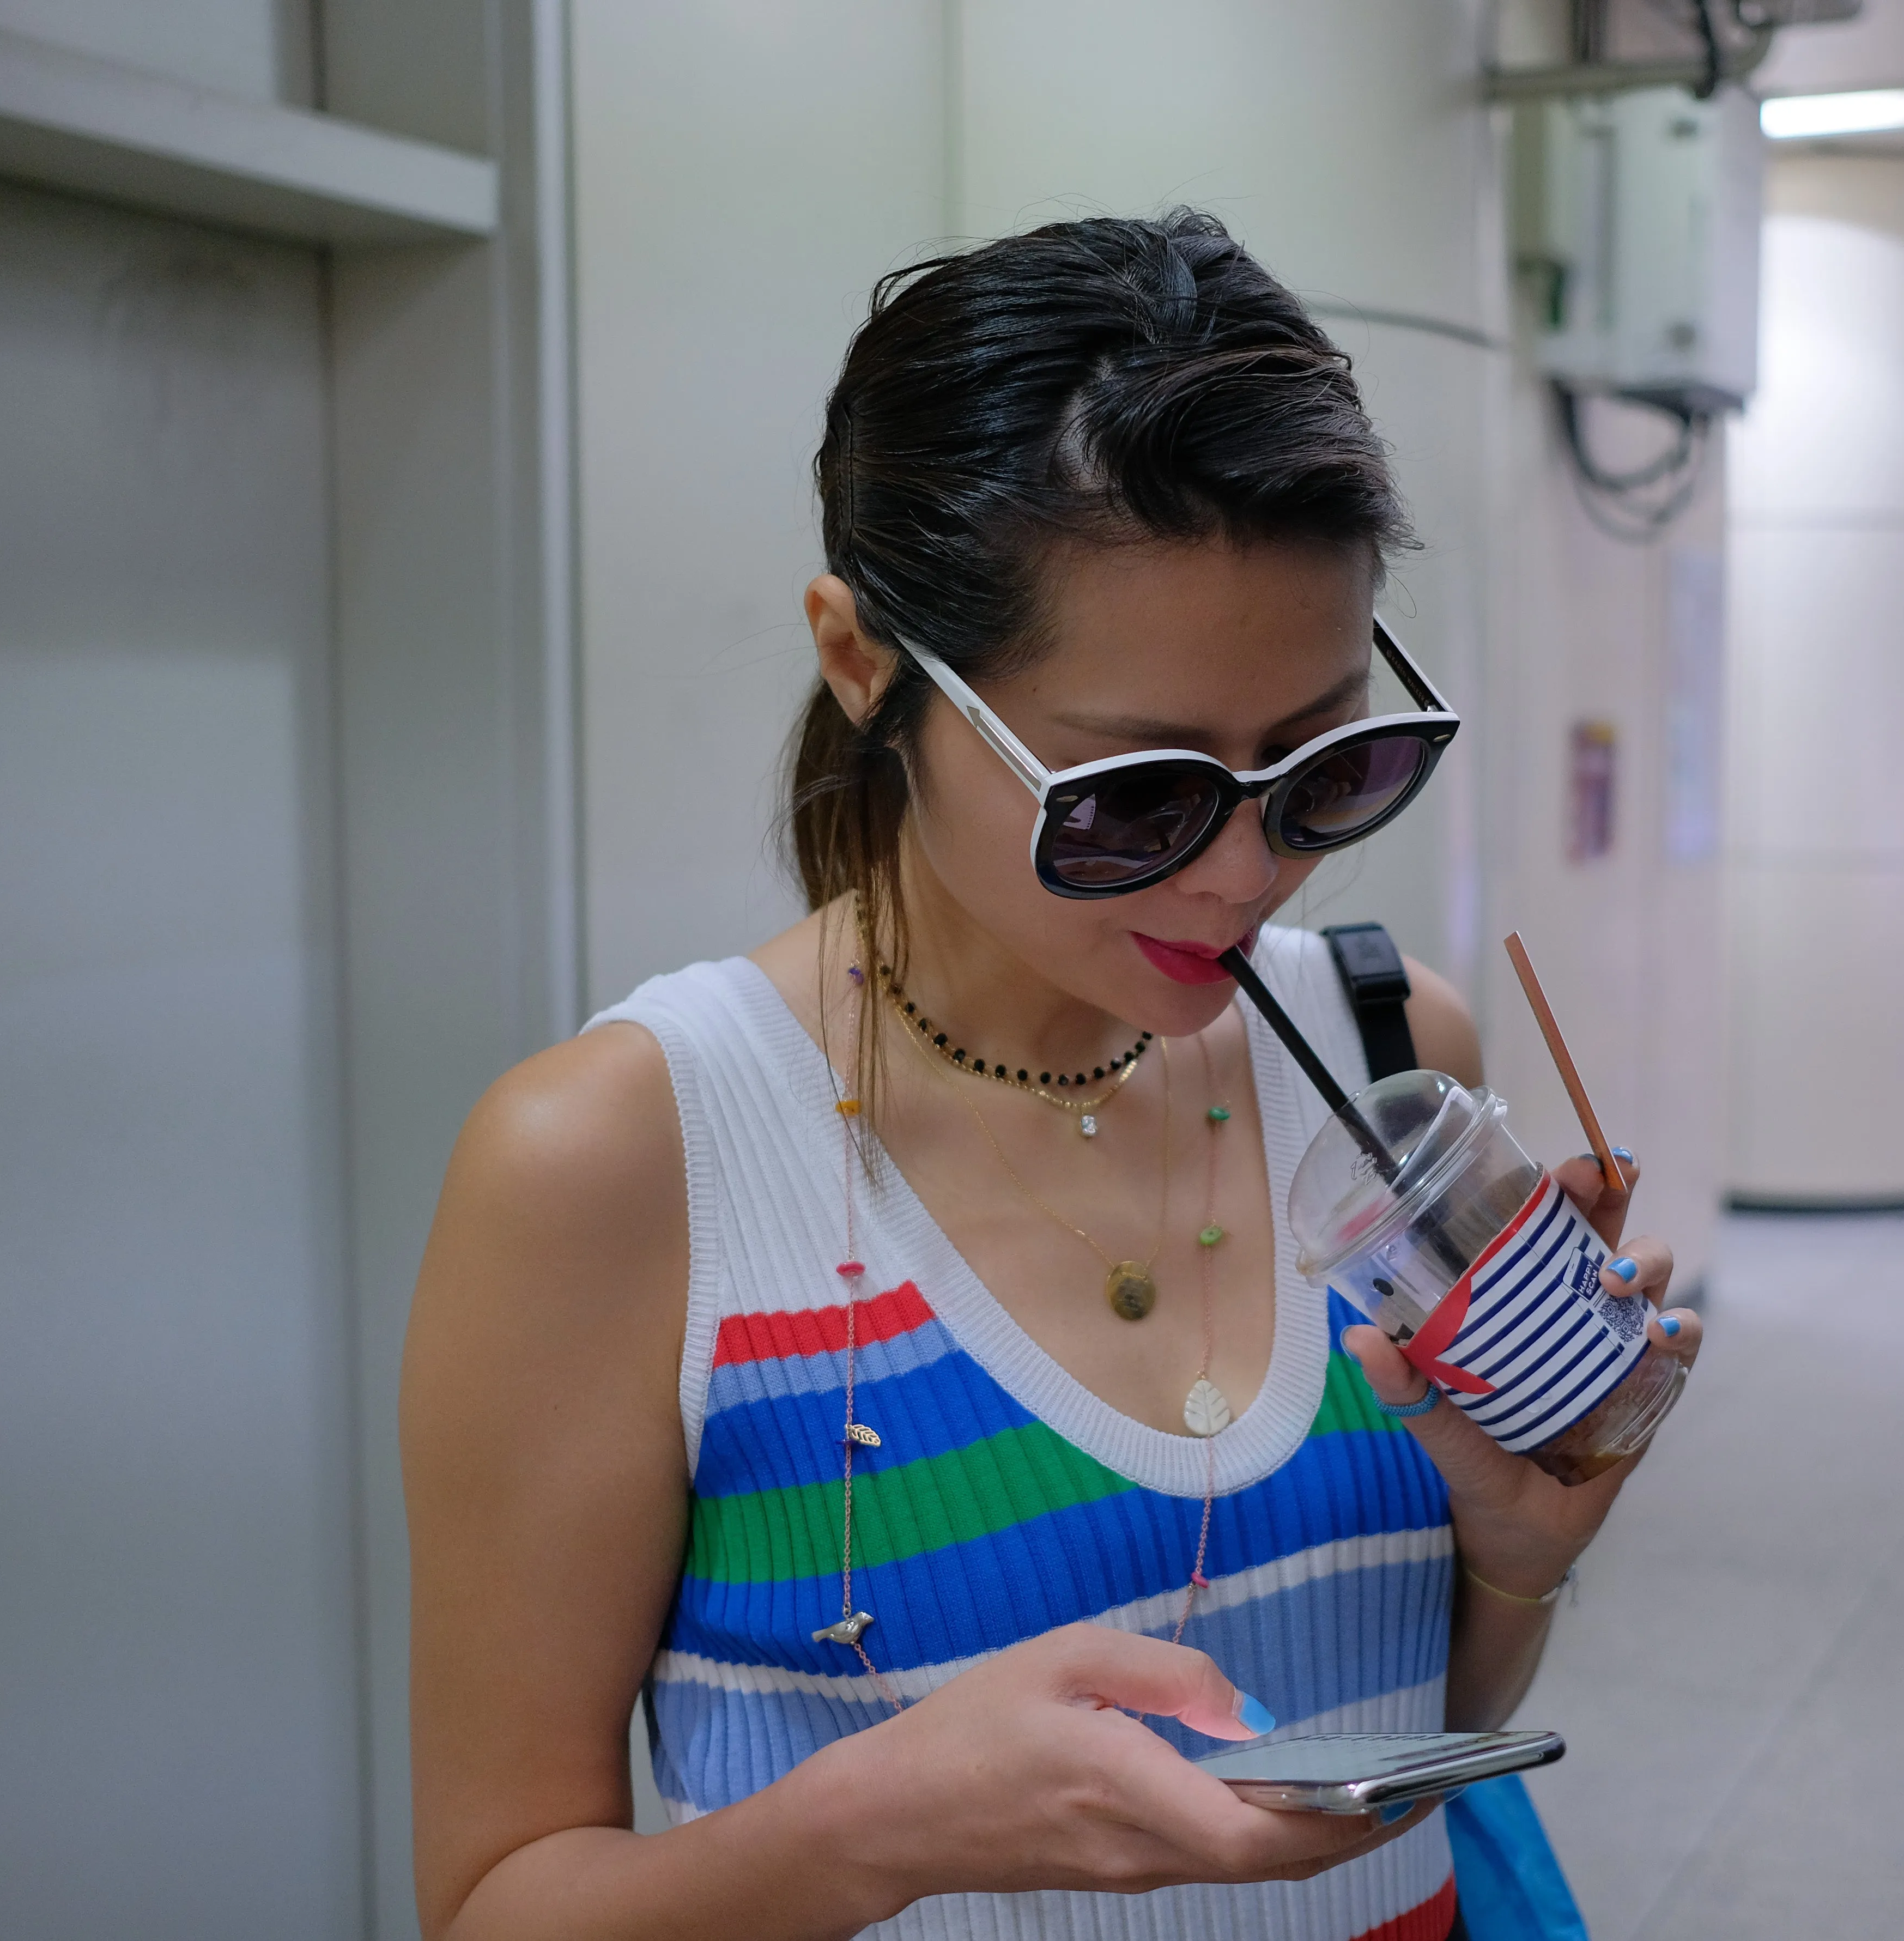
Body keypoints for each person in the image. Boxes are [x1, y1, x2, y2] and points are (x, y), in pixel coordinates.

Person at [399, 213, 1703, 1941]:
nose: (1245, 875)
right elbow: (495, 1897)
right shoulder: (618, 1162)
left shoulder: (1394, 1061)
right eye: (1134, 795)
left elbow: (1393, 1737)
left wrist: (1512, 1565)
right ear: (864, 661)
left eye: (1322, 764)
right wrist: (872, 1827)